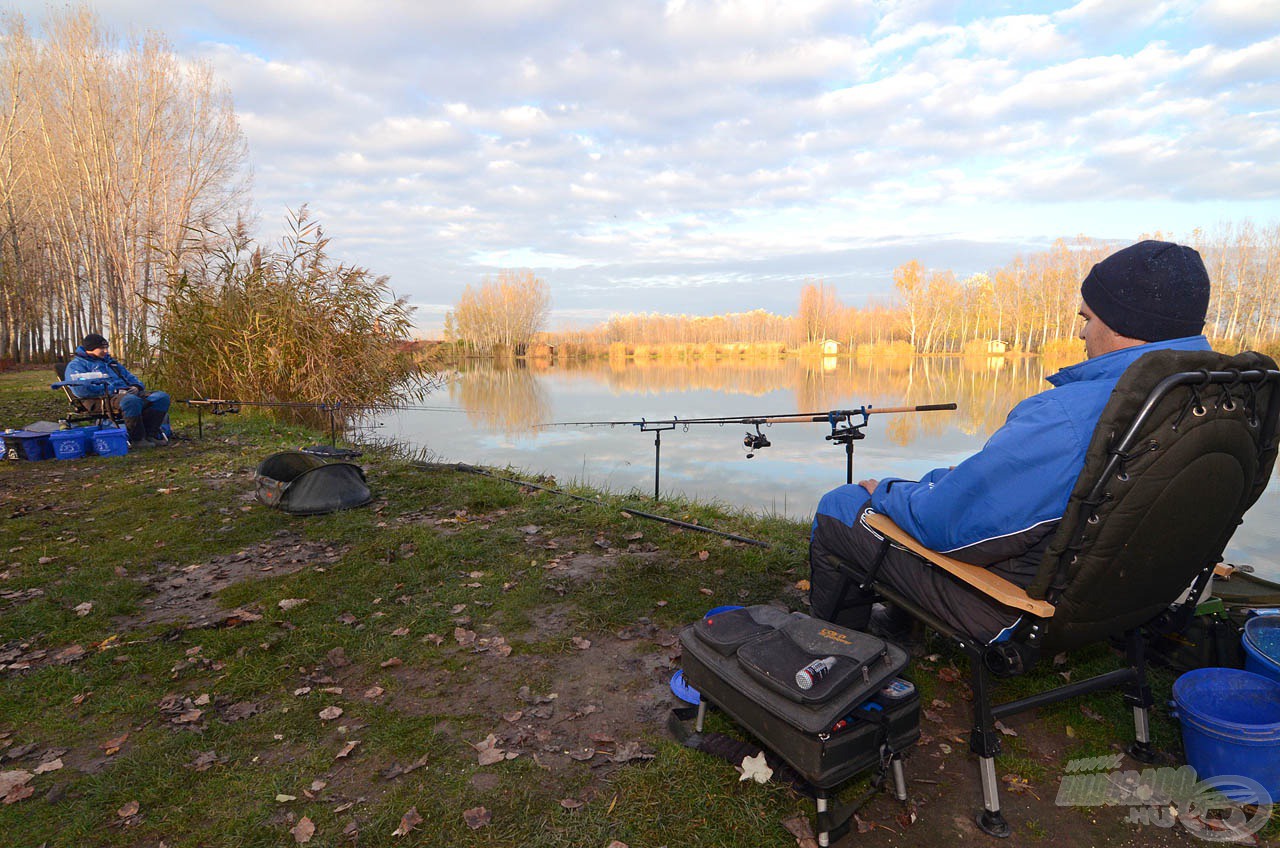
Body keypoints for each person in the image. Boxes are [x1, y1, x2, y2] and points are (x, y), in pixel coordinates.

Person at [809, 240, 1214, 642]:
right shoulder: (1213, 398)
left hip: (1020, 610)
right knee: (934, 485)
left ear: (1125, 323)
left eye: (1086, 318)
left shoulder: (1070, 415)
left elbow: (949, 528)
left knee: (842, 506)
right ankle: (900, 623)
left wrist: (887, 492)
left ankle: (838, 649)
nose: (1081, 333)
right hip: (1130, 597)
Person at [64, 333, 171, 448]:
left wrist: (136, 387)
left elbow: (131, 377)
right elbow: (81, 390)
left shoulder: (111, 362)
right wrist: (115, 391)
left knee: (161, 397)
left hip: (126, 394)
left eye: (106, 348)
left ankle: (151, 434)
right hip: (98, 399)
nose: (106, 351)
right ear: (90, 349)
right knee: (131, 401)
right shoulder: (76, 366)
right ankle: (137, 439)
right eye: (102, 348)